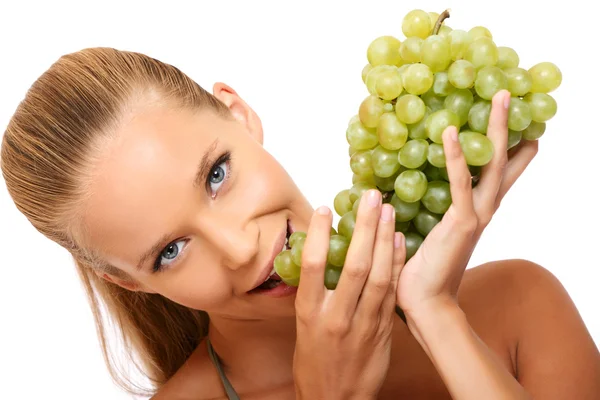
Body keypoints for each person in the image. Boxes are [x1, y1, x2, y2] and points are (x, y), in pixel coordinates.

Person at [1, 47, 598, 400]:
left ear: (238, 115)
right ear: (128, 281)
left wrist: (437, 315)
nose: (239, 249)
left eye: (216, 175)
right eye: (172, 250)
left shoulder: (519, 305)